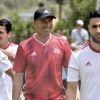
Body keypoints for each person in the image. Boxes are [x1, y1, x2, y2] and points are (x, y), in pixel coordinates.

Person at [12, 7, 73, 100]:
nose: (47, 24)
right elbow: (18, 78)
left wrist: (75, 93)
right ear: (34, 23)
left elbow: (72, 74)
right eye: (43, 21)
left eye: (50, 21)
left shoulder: (63, 44)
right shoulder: (24, 46)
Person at [65, 9, 100, 100]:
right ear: (89, 28)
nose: (98, 30)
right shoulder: (77, 55)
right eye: (94, 26)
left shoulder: (84, 33)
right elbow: (71, 89)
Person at [0, 19, 18, 100]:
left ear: (9, 34)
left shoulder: (16, 48)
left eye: (1, 32)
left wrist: (1, 51)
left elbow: (16, 57)